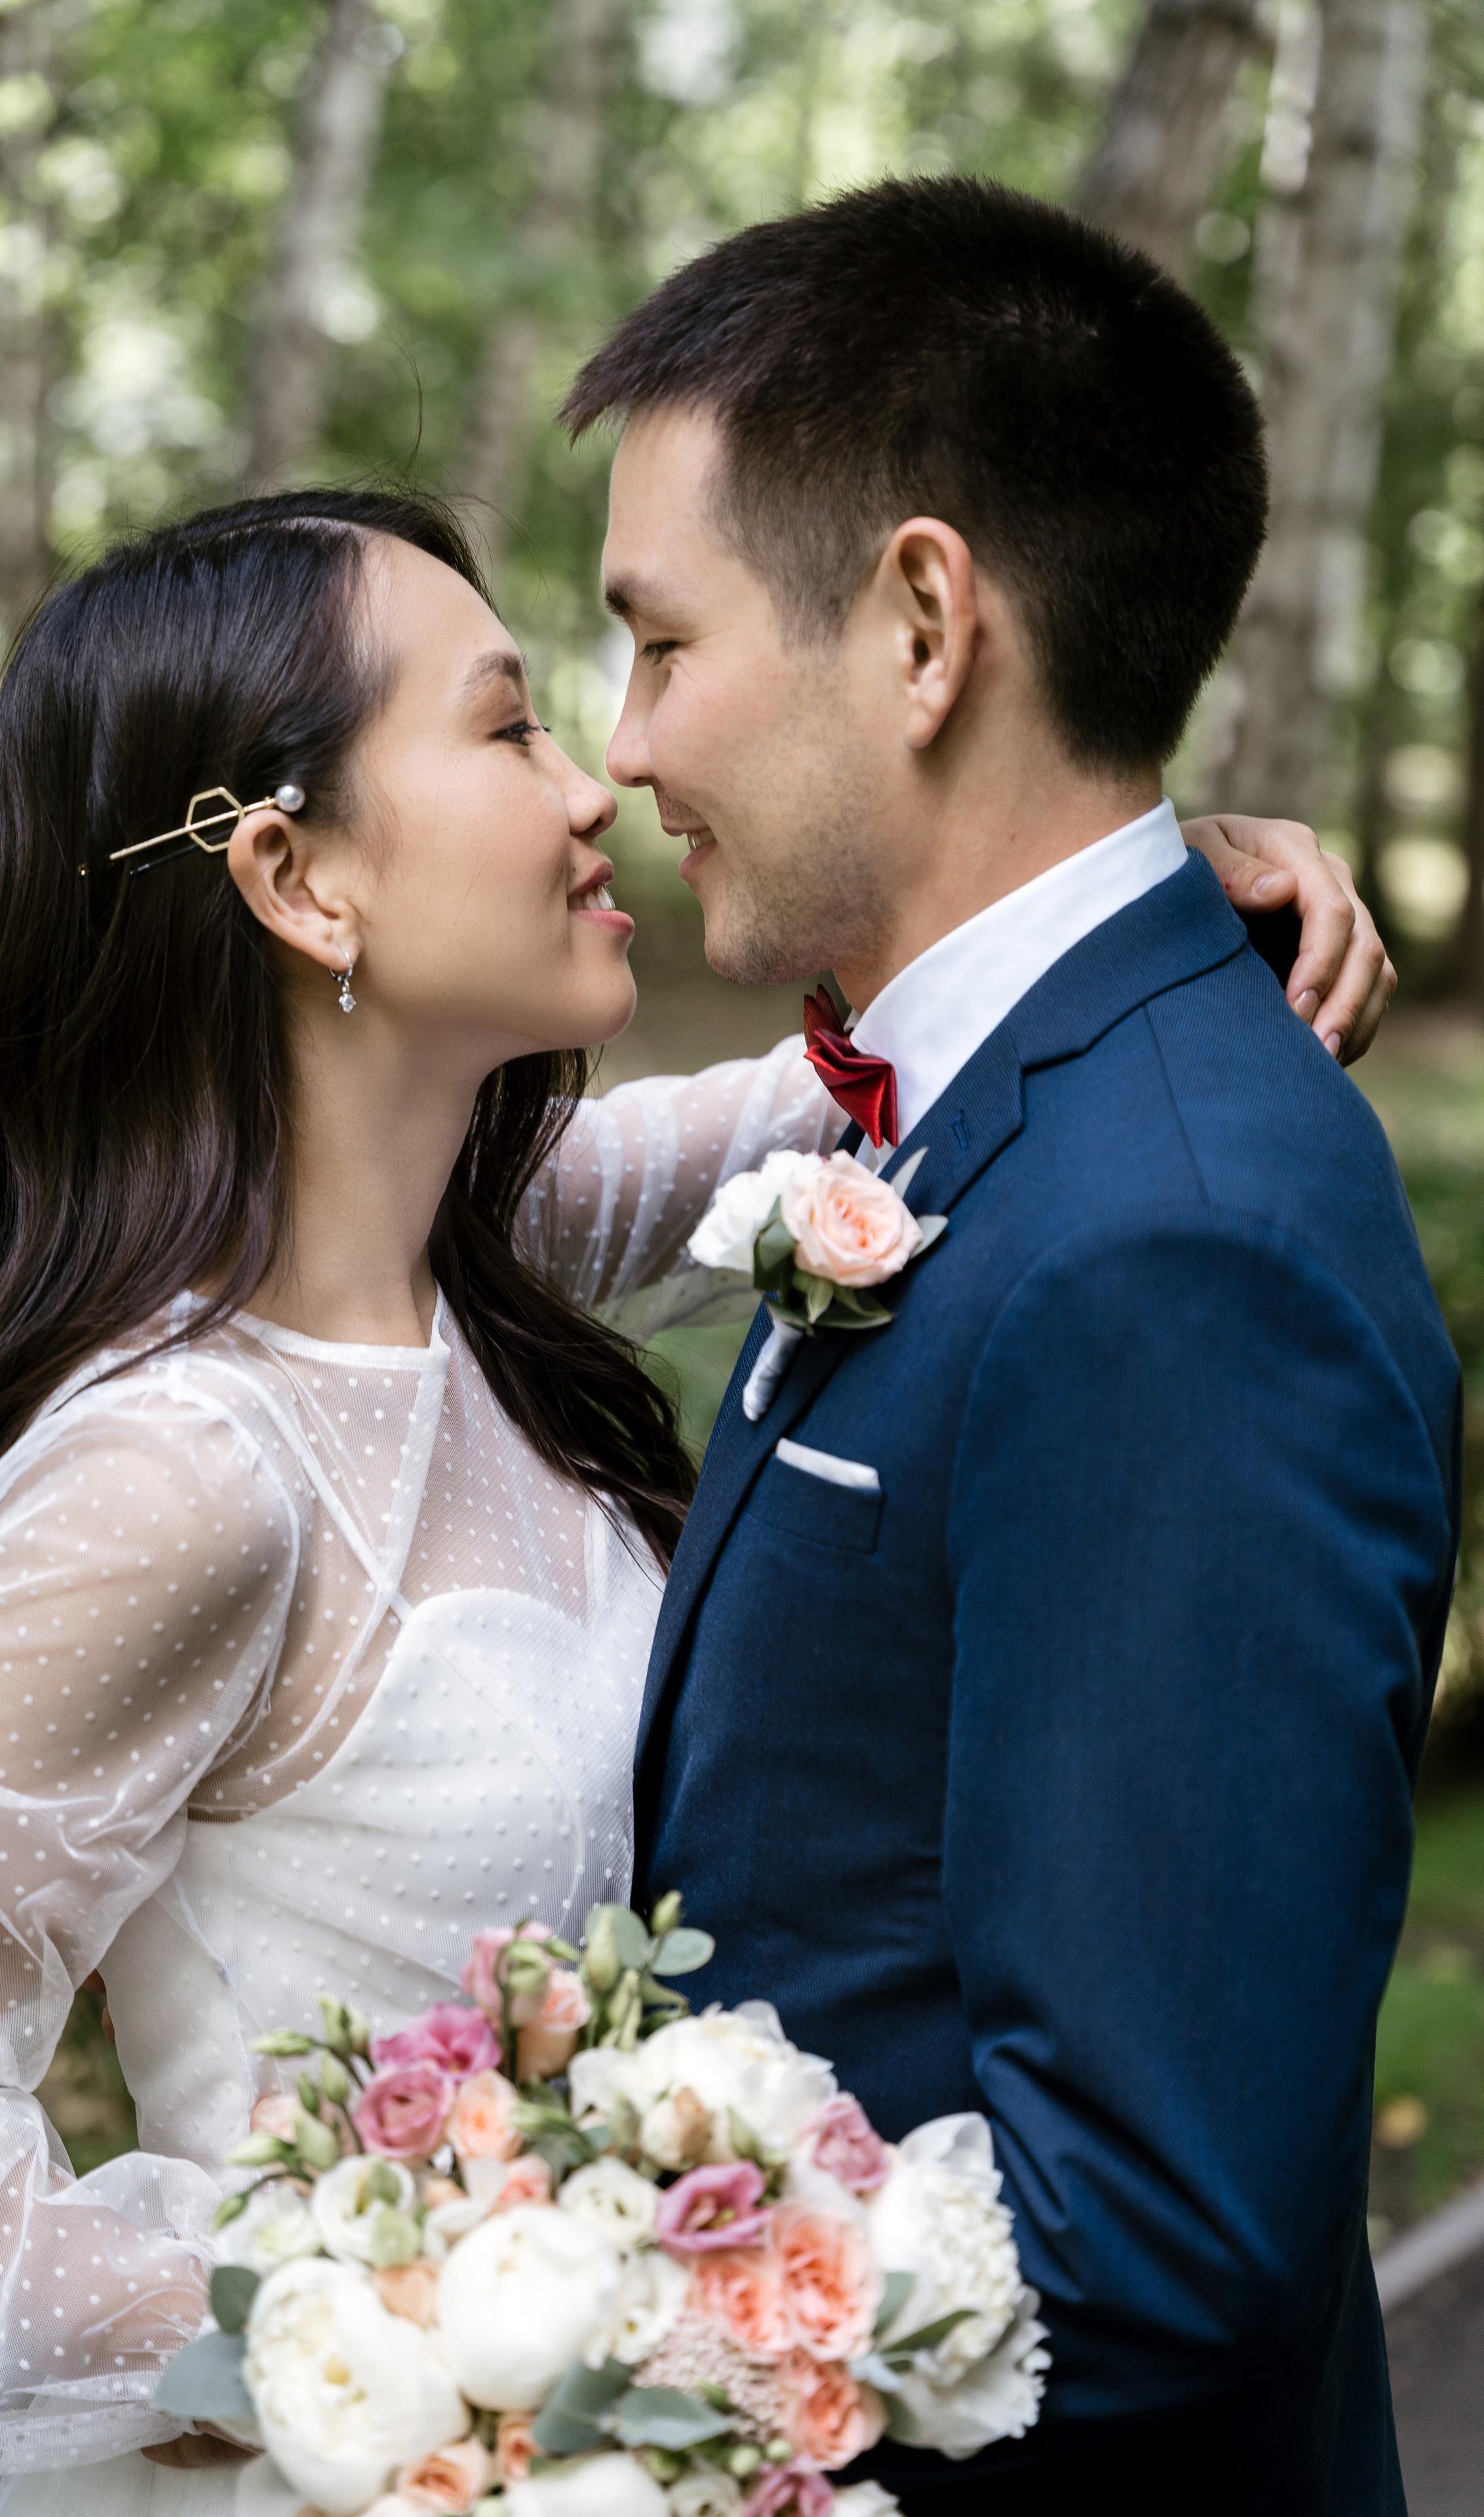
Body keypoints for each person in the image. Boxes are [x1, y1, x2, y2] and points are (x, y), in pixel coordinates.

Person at [0, 481, 1384, 2507]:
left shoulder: (489, 1251)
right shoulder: (174, 1469)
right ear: (295, 878)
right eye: (508, 726)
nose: (599, 785)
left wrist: (1142, 873)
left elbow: (900, 1052)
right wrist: (383, 2333)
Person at [564, 178, 1458, 2514]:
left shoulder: (1177, 1241)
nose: (620, 742)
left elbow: (1148, 2238)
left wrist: (532, 2351)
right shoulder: (1000, 1105)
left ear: (927, 622)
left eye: (658, 644)